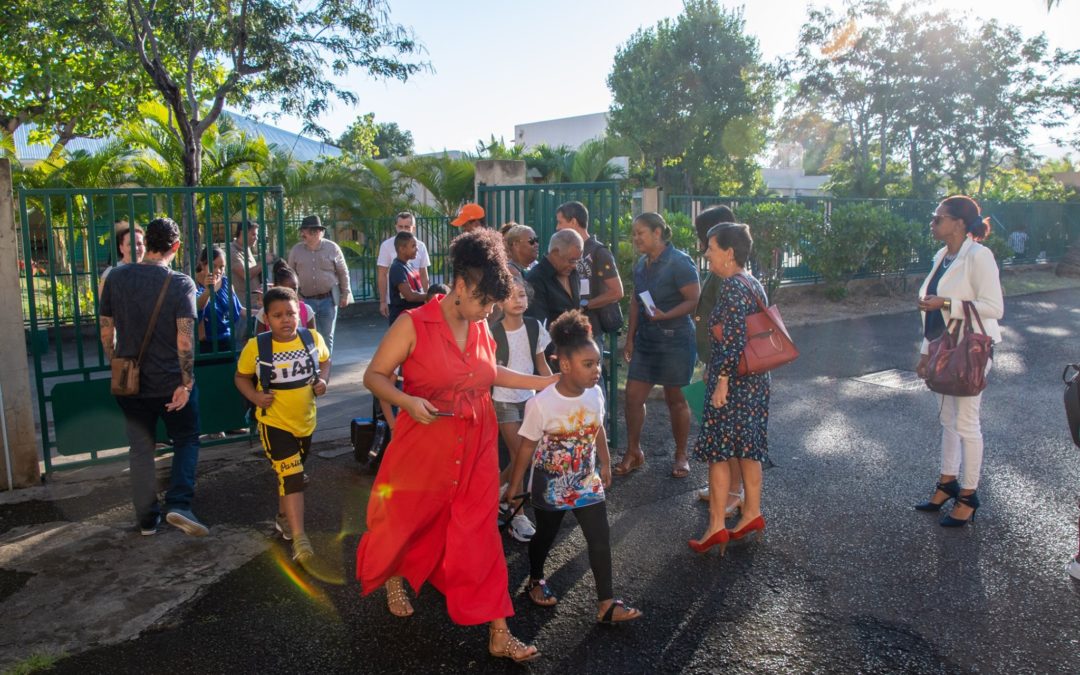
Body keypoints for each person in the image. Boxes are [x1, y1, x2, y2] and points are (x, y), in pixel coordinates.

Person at [355, 229, 557, 664]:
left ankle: (499, 632)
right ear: (462, 287)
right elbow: (374, 377)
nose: (488, 312)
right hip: (424, 443)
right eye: (484, 302)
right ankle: (394, 575)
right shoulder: (413, 324)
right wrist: (408, 400)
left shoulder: (480, 325)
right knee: (406, 519)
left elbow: (490, 373)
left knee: (479, 533)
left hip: (476, 443)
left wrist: (542, 382)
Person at [505, 310, 642, 624]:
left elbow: (598, 428)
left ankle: (606, 603)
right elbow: (526, 446)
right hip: (550, 487)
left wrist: (605, 462)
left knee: (600, 538)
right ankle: (535, 579)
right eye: (588, 364)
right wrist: (514, 486)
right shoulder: (541, 403)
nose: (596, 371)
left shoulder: (595, 393)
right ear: (564, 365)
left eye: (597, 363)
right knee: (545, 537)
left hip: (585, 481)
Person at [99, 217, 207, 537]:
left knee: (140, 449)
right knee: (186, 438)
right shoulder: (181, 283)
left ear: (147, 243)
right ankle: (179, 503)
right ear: (175, 246)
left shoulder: (116, 278)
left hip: (129, 384)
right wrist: (186, 383)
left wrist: (116, 363)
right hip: (170, 382)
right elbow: (184, 339)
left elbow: (107, 330)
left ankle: (147, 519)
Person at [915, 195, 1004, 527]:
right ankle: (947, 483)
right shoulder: (943, 256)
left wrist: (948, 302)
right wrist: (924, 353)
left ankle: (969, 495)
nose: (933, 223)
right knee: (948, 421)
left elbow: (994, 308)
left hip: (970, 351)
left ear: (959, 223)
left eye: (938, 218)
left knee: (967, 424)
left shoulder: (979, 256)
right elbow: (932, 309)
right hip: (942, 348)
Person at [235, 287, 330, 566]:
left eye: (291, 313)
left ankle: (282, 518)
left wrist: (323, 380)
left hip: (305, 422)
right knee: (293, 477)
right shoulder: (258, 346)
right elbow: (240, 377)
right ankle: (301, 539)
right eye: (278, 315)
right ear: (266, 318)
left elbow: (325, 361)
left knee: (289, 476)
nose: (286, 320)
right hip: (274, 423)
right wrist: (254, 397)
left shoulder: (311, 338)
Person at [690, 223, 770, 554]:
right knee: (747, 449)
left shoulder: (732, 288)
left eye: (711, 247)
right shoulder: (751, 283)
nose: (706, 253)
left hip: (733, 383)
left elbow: (734, 338)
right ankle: (751, 512)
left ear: (729, 252)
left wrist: (721, 380)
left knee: (718, 453)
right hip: (753, 381)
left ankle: (715, 526)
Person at [615, 213, 700, 479]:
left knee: (675, 399)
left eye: (640, 232)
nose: (635, 237)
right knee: (632, 397)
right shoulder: (641, 264)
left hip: (676, 340)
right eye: (634, 233)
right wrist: (630, 337)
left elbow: (694, 300)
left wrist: (666, 314)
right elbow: (635, 302)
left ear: (658, 232)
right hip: (646, 342)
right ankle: (634, 452)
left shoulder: (680, 262)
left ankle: (681, 454)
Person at [690, 206, 744, 514]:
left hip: (724, 363)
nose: (703, 246)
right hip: (715, 358)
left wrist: (721, 374)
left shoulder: (729, 274)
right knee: (722, 432)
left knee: (730, 432)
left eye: (705, 238)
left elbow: (731, 327)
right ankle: (726, 488)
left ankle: (733, 492)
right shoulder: (723, 270)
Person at [491, 277, 552, 543]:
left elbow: (542, 365)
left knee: (522, 457)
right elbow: (492, 373)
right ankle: (517, 512)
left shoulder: (534, 327)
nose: (518, 300)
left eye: (522, 296)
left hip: (529, 399)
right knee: (520, 454)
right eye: (512, 295)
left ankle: (497, 493)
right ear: (500, 301)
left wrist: (552, 393)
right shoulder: (492, 332)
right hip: (503, 399)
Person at [555, 201, 624, 338]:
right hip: (567, 328)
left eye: (560, 222)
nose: (557, 228)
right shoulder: (563, 250)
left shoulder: (599, 252)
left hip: (592, 330)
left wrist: (585, 305)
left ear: (573, 222)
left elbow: (617, 292)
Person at [287, 215, 351, 355]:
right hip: (305, 300)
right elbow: (290, 274)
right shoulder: (296, 250)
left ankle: (325, 368)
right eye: (302, 230)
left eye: (306, 231)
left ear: (316, 232)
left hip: (328, 300)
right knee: (307, 335)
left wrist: (345, 293)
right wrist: (294, 296)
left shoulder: (332, 248)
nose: (302, 234)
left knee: (327, 335)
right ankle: (312, 366)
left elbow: (342, 271)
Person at [524, 228, 583, 342]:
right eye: (571, 260)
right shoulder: (535, 279)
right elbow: (538, 327)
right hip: (551, 352)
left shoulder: (573, 274)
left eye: (577, 260)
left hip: (574, 349)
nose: (574, 265)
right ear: (555, 253)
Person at [377, 212, 431, 319]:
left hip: (415, 306)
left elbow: (423, 275)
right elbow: (382, 275)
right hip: (400, 308)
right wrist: (383, 301)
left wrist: (426, 298)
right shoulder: (388, 249)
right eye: (400, 226)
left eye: (406, 227)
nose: (403, 230)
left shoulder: (418, 250)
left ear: (413, 228)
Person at [194, 246, 246, 354]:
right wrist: (208, 291)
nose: (218, 270)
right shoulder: (193, 285)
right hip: (205, 346)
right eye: (214, 266)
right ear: (203, 265)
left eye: (222, 267)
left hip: (228, 342)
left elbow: (239, 310)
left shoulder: (226, 282)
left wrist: (262, 311)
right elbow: (196, 308)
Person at [253, 260, 316, 333]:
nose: (291, 293)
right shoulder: (264, 313)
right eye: (277, 315)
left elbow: (313, 341)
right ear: (275, 287)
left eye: (294, 289)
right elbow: (259, 342)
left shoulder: (306, 311)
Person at [387, 231, 427, 324]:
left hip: (412, 319)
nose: (417, 249)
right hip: (402, 322)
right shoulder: (397, 268)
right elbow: (410, 296)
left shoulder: (408, 265)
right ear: (402, 249)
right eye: (413, 246)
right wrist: (431, 295)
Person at [98, 221, 145, 297]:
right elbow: (103, 304)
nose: (136, 248)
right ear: (121, 248)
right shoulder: (110, 273)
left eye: (139, 244)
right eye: (130, 244)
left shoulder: (151, 270)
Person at [230, 220, 268, 308]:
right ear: (243, 233)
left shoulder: (246, 248)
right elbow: (245, 274)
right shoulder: (232, 251)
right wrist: (264, 261)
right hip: (243, 304)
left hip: (255, 301)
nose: (256, 238)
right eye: (253, 234)